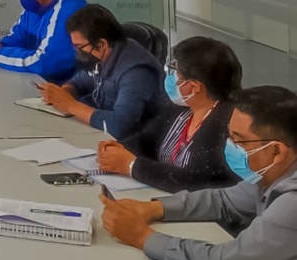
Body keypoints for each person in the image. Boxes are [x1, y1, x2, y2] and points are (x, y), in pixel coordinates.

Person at [102, 86, 297, 260]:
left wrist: (142, 237)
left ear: (276, 151)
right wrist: (153, 208)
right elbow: (224, 201)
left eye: (239, 140)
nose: (230, 146)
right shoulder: (270, 174)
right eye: (229, 136)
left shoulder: (293, 200)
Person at [97, 36, 242, 192]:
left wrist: (132, 166)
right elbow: (148, 138)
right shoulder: (181, 107)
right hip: (155, 193)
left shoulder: (228, 125)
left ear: (194, 87)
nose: (170, 76)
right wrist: (120, 147)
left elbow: (198, 181)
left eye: (175, 71)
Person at [38, 4, 170, 139]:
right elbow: (80, 82)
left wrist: (71, 106)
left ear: (101, 45)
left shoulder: (137, 72)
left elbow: (120, 127)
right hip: (101, 134)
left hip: (138, 142)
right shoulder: (101, 57)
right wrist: (64, 92)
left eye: (80, 47)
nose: (77, 52)